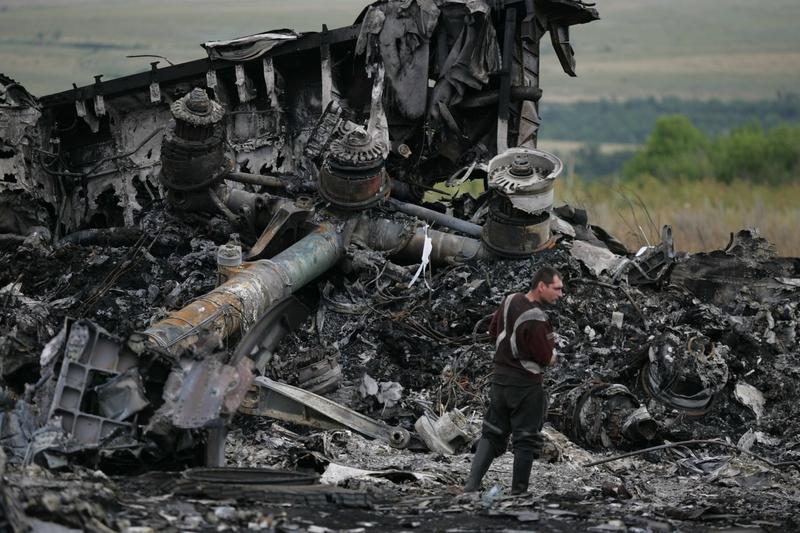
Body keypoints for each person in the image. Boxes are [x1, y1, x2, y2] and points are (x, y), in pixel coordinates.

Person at [463, 266, 564, 494]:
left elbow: (492, 332)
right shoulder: (538, 318)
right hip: (526, 386)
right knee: (525, 438)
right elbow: (546, 358)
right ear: (541, 286)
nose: (560, 295)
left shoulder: (509, 300)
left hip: (499, 381)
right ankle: (519, 492)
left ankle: (472, 483)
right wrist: (555, 357)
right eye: (556, 289)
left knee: (492, 431)